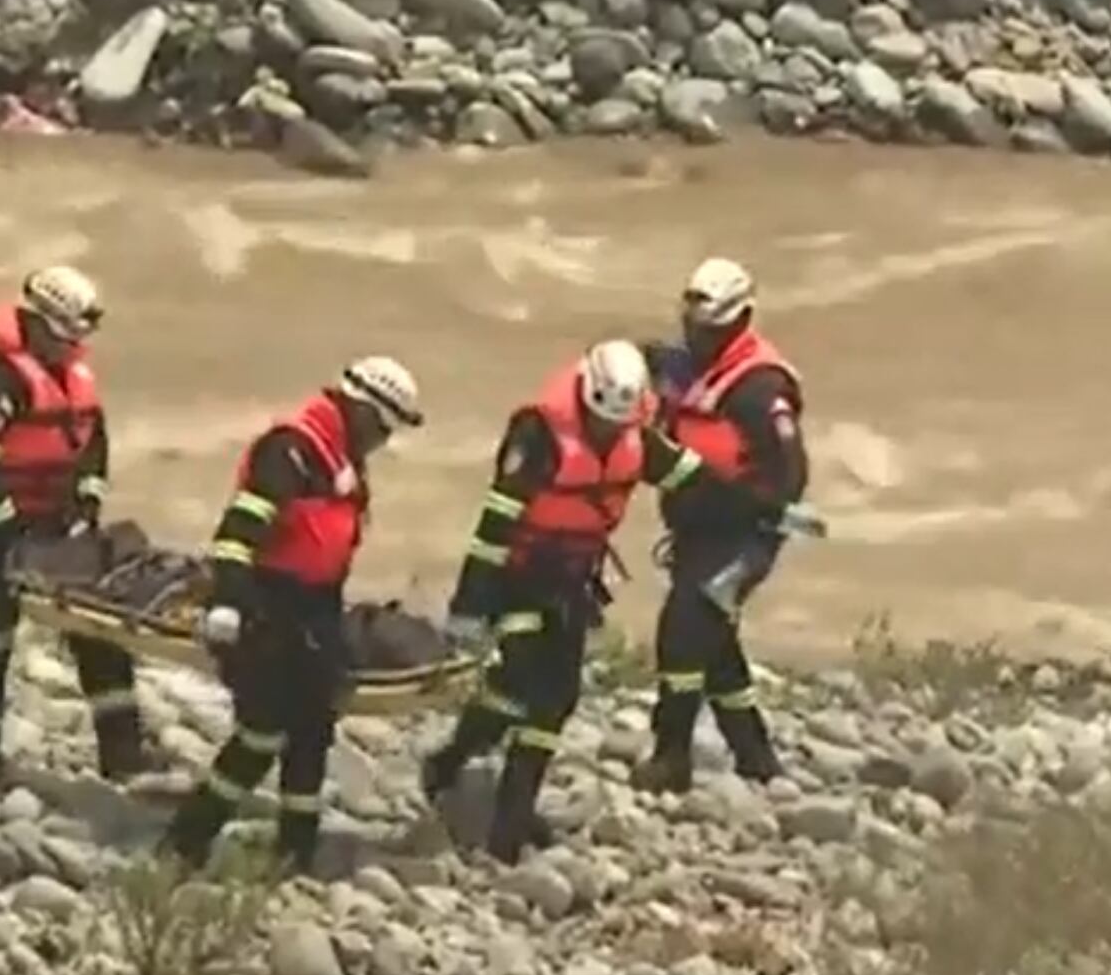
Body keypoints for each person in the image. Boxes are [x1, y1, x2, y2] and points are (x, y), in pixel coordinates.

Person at [420, 340, 813, 864]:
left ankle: (469, 781)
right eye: (600, 425)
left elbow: (699, 480)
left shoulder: (637, 440)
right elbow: (495, 526)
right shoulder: (537, 437)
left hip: (571, 581)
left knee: (533, 695)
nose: (608, 435)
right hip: (514, 579)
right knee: (538, 689)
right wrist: (469, 605)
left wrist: (767, 513)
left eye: (616, 427)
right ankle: (498, 817)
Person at [161, 356, 425, 875]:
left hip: (315, 609)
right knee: (260, 732)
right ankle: (185, 843)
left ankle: (295, 851)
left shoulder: (340, 460)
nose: (382, 443)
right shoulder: (289, 453)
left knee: (311, 730)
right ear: (360, 410)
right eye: (381, 430)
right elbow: (237, 536)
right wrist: (231, 604)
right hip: (266, 607)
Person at [0, 265, 148, 795]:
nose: (71, 348)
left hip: (61, 526)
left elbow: (94, 445)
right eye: (64, 336)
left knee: (101, 635)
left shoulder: (75, 377)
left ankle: (125, 756)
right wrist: (6, 531)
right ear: (37, 323)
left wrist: (86, 505)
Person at [631, 257, 820, 794]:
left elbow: (789, 473)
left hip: (742, 533)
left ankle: (672, 756)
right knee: (714, 642)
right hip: (696, 530)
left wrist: (743, 509)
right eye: (693, 328)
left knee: (684, 629)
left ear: (740, 321)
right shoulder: (685, 366)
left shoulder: (760, 388)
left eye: (710, 330)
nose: (699, 338)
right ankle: (756, 757)